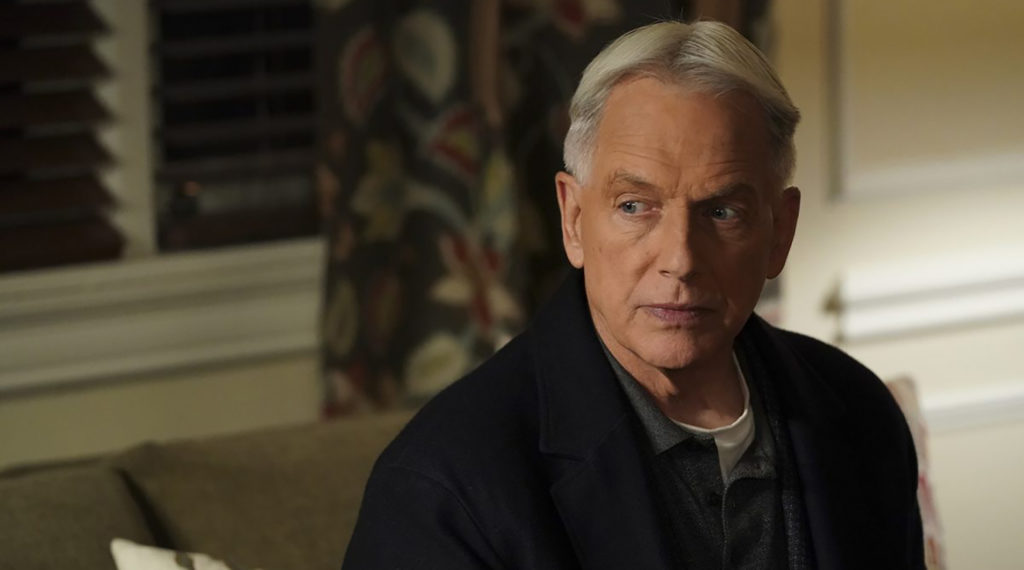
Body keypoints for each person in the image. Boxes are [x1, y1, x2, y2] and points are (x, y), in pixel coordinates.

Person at [343, 20, 924, 570]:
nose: (680, 259)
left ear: (781, 231)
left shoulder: (860, 414)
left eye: (722, 212)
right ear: (574, 219)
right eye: (634, 206)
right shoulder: (443, 485)